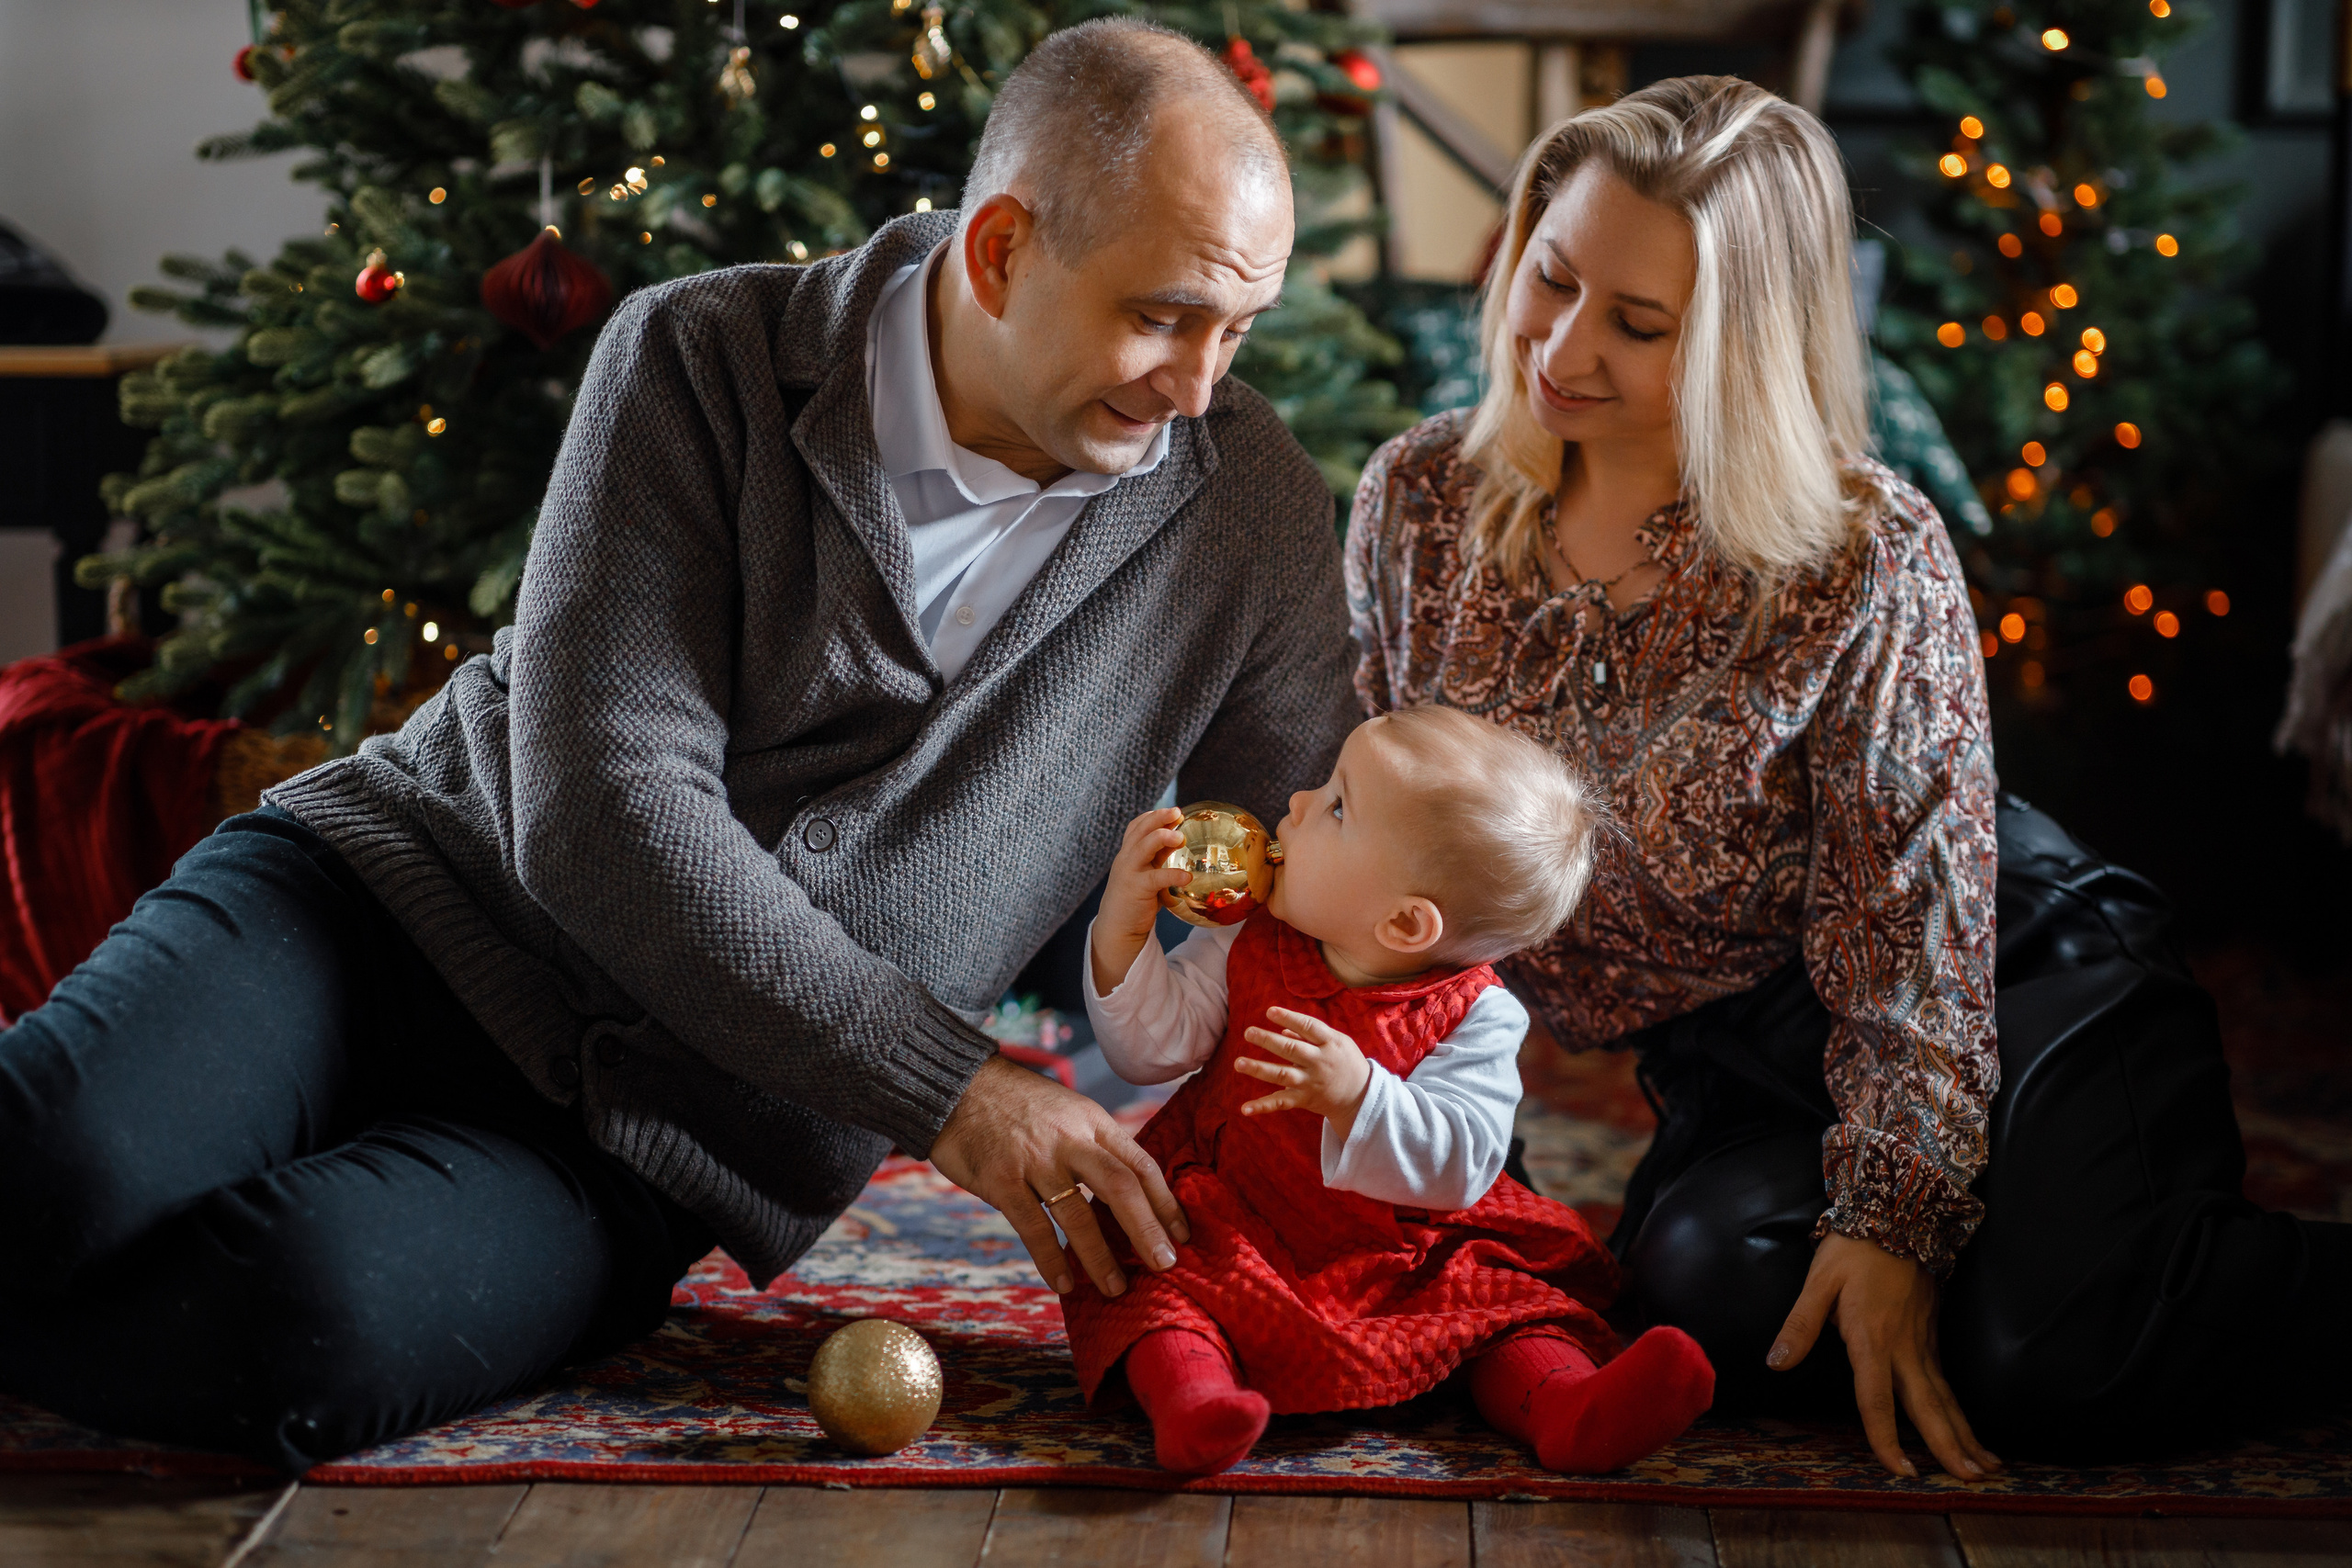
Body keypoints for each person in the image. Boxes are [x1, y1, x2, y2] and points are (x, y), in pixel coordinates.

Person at [0, 18, 1361, 1472]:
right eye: (1162, 316)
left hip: (649, 1149)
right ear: (1002, 250)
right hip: (375, 909)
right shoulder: (700, 355)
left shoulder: (1243, 507)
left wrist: (1414, 1181)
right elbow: (601, 812)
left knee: (296, 1328)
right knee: (46, 1168)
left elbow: (1304, 874)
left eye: (1240, 330)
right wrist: (949, 1085)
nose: (1201, 386)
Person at [1346, 75, 2352, 1478]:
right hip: (1750, 1050)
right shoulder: (1420, 503)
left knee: (2032, 1351)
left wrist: (1891, 1215)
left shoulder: (1863, 552)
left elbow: (1913, 926)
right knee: (1702, 1288)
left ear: (1743, 346)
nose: (1561, 348)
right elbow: (1402, 851)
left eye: (1639, 324)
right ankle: (2047, 1252)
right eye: (1551, 278)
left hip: (2015, 969)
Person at [1064, 705, 1713, 1475]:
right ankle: (1193, 1400)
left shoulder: (1478, 1013)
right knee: (1159, 1275)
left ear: (1405, 924)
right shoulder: (1249, 940)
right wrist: (1122, 930)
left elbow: (1465, 1160)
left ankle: (1568, 1404)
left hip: (1405, 1251)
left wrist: (1360, 1095)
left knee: (1506, 1307)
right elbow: (1152, 1047)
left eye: (1337, 805)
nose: (1297, 804)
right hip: (1242, 1219)